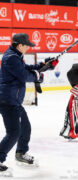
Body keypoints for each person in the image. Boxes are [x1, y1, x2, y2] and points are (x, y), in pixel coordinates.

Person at [0, 33, 57, 176]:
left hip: (14, 100)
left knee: (25, 128)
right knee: (14, 132)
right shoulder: (11, 58)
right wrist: (39, 75)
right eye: (27, 45)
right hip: (7, 101)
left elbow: (27, 68)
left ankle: (21, 153)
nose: (28, 48)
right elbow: (24, 75)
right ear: (20, 45)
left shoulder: (15, 55)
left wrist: (44, 65)